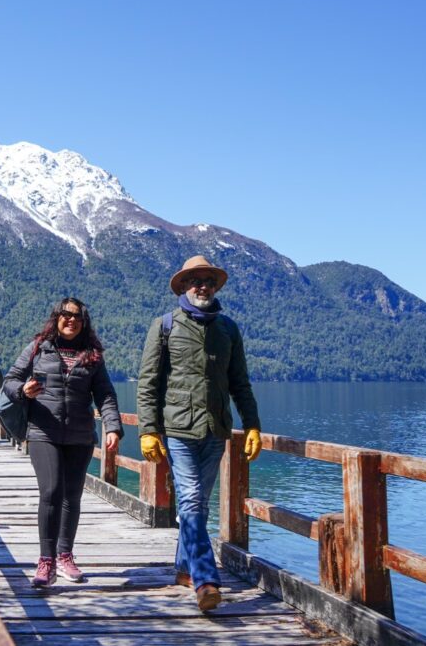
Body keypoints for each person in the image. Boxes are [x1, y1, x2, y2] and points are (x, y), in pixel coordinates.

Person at [136, 255, 262, 612]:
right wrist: (148, 429)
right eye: (195, 281)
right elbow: (148, 383)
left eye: (208, 280)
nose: (202, 286)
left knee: (198, 506)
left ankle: (182, 569)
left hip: (216, 429)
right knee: (191, 501)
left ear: (215, 286)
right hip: (177, 430)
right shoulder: (164, 326)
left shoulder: (228, 329)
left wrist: (252, 424)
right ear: (183, 287)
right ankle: (206, 579)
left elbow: (240, 382)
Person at [2, 297, 122, 587]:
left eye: (77, 317)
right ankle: (46, 561)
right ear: (56, 318)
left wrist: (113, 426)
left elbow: (105, 393)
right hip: (44, 431)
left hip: (80, 435)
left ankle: (65, 555)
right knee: (52, 490)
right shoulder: (38, 347)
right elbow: (10, 380)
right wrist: (24, 390)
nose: (71, 320)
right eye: (65, 315)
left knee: (72, 496)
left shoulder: (92, 355)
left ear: (84, 322)